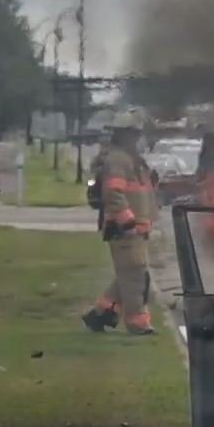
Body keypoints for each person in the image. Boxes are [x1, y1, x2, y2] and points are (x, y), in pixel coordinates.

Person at [81, 109, 158, 335]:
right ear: (124, 134)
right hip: (125, 229)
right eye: (134, 133)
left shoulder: (131, 159)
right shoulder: (117, 159)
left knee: (129, 274)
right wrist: (127, 221)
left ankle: (100, 315)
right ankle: (138, 324)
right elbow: (113, 193)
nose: (138, 137)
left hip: (137, 228)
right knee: (135, 276)